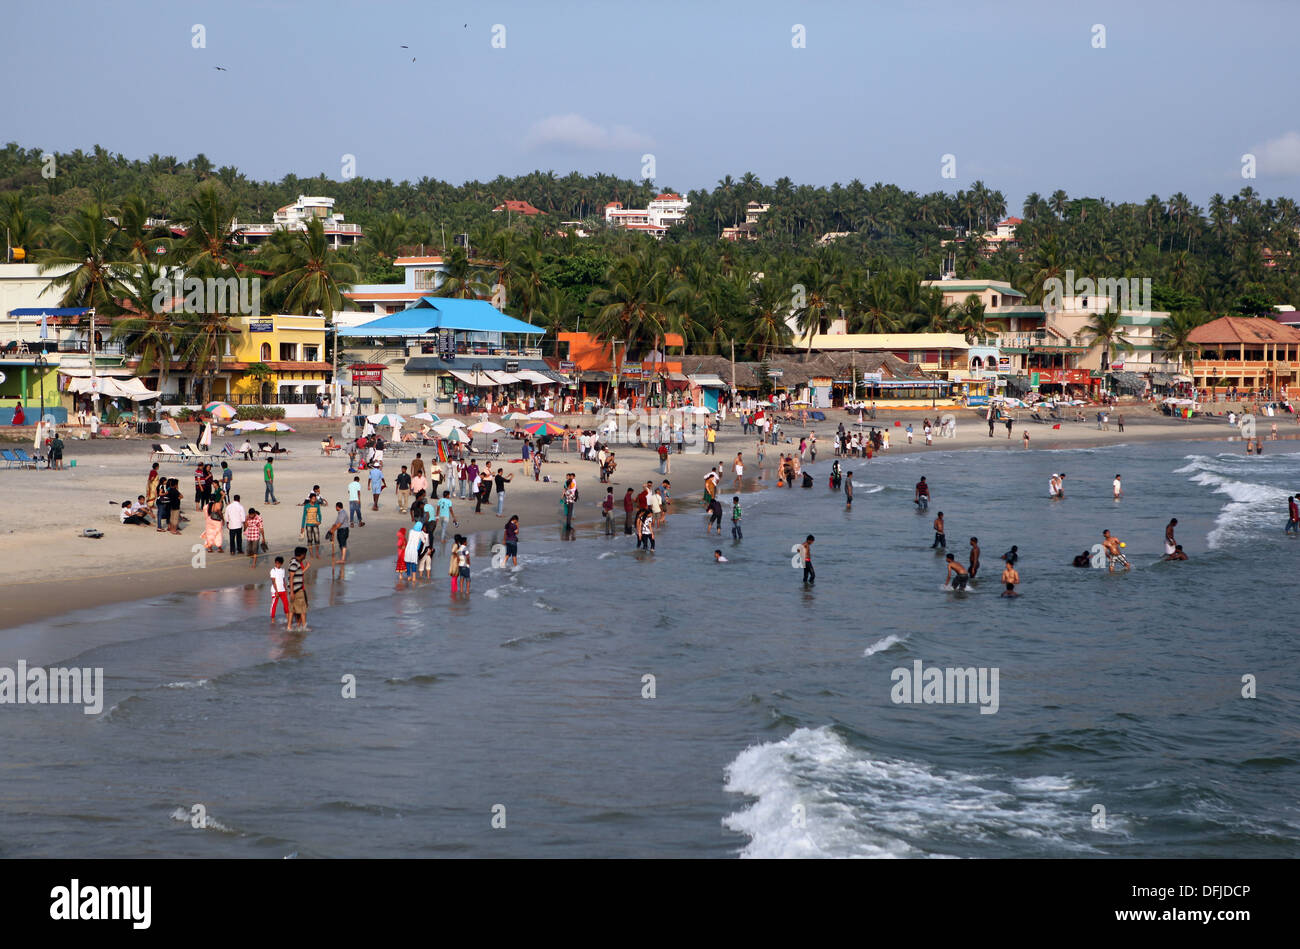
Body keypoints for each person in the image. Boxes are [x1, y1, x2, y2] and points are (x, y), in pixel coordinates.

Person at [287, 547, 310, 630]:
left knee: (292, 609)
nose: (305, 556)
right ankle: (304, 627)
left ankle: (289, 627)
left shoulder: (295, 562)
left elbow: (298, 574)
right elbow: (291, 577)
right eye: (305, 554)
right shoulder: (294, 563)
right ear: (302, 555)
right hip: (297, 590)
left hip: (295, 589)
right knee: (302, 609)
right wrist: (292, 592)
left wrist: (306, 568)